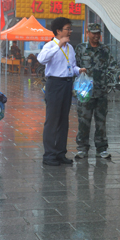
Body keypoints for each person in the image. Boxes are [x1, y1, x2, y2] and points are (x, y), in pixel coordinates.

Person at [37, 17, 86, 166]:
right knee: (52, 120)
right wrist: (58, 45)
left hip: (67, 84)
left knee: (63, 120)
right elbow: (41, 59)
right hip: (54, 84)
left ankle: (60, 153)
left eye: (70, 29)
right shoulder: (50, 45)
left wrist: (79, 70)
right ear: (58, 31)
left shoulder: (70, 48)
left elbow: (71, 66)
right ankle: (49, 155)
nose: (70, 31)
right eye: (67, 29)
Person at [74, 23, 120, 160]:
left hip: (101, 92)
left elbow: (113, 65)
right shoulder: (80, 49)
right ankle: (82, 149)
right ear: (88, 33)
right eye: (93, 33)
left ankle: (101, 149)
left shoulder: (105, 50)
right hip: (85, 93)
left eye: (98, 33)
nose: (96, 35)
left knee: (101, 122)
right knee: (83, 122)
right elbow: (73, 66)